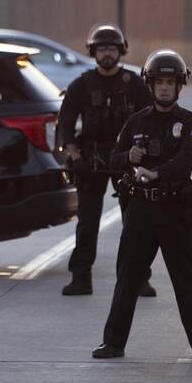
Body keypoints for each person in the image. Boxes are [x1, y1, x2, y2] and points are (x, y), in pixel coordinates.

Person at [92, 49, 192, 361]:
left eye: (171, 82)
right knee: (128, 277)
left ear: (180, 86)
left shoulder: (191, 123)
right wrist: (127, 158)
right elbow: (111, 160)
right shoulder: (135, 122)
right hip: (141, 211)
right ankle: (113, 343)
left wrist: (156, 172)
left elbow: (185, 160)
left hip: (175, 210)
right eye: (159, 82)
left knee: (186, 278)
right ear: (150, 85)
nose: (164, 88)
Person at [57, 24, 152, 296]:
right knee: (87, 221)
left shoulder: (135, 83)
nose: (107, 53)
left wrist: (142, 153)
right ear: (93, 51)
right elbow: (65, 123)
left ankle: (139, 279)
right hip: (91, 159)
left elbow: (150, 119)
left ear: (121, 50)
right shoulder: (81, 85)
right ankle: (80, 277)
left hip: (126, 158)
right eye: (102, 48)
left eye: (112, 48)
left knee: (134, 222)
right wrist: (73, 152)